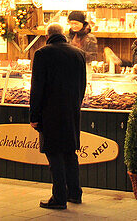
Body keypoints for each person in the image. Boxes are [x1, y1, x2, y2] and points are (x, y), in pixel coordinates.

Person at [30, 23, 87, 210]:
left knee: (54, 153)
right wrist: (75, 105)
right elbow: (82, 85)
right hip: (71, 110)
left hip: (50, 111)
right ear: (63, 35)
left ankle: (59, 197)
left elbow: (37, 87)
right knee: (70, 152)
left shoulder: (42, 54)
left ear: (47, 37)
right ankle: (75, 193)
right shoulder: (78, 53)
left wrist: (34, 115)